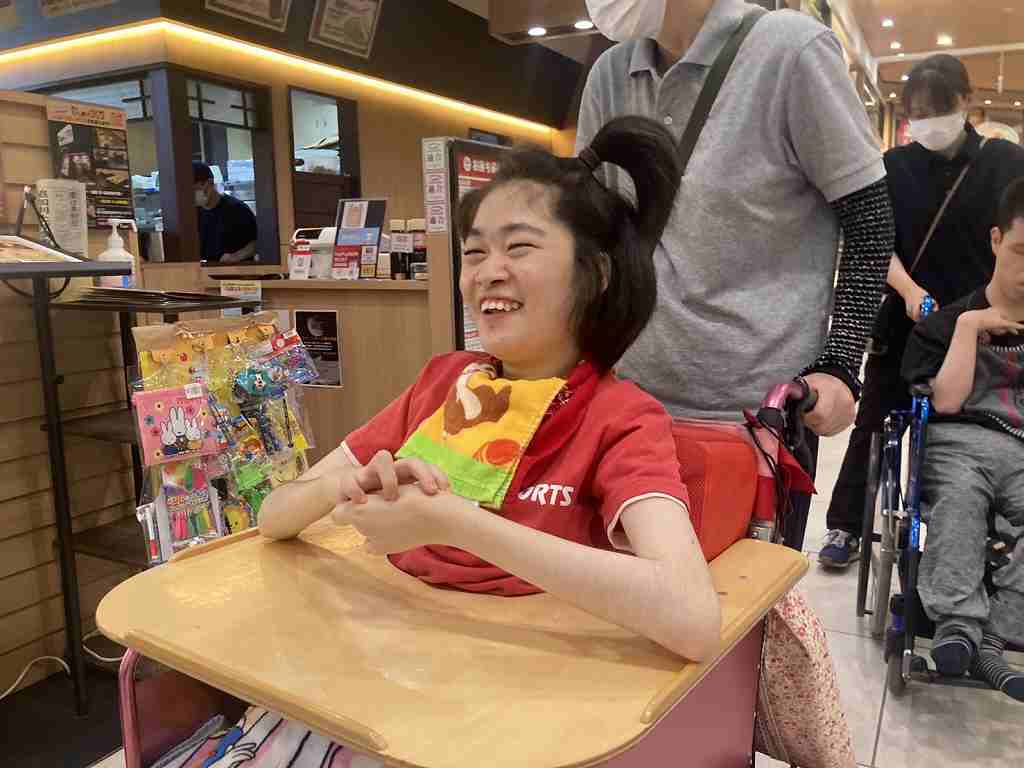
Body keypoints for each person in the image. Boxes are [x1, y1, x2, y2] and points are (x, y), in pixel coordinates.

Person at [193, 116, 719, 768]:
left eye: (519, 248)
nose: (488, 273)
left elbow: (693, 619)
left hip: (515, 699)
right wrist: (344, 486)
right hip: (382, 667)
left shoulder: (622, 418)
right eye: (474, 253)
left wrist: (456, 524)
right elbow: (274, 517)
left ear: (597, 273)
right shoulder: (444, 381)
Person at [577, 0, 895, 549]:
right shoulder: (611, 73)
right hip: (628, 404)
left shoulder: (791, 52)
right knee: (621, 589)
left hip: (758, 417)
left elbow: (869, 221)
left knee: (744, 597)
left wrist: (841, 364)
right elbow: (594, 230)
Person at [822, 55, 1024, 568]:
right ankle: (846, 524)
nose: (928, 122)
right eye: (917, 113)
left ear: (966, 102)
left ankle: (985, 535)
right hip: (908, 322)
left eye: (938, 109)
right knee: (874, 423)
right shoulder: (895, 167)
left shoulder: (1004, 163)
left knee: (978, 430)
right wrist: (910, 291)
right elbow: (877, 241)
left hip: (986, 325)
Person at [901, 179, 1024, 700]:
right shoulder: (950, 321)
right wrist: (970, 328)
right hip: (956, 443)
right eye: (1021, 252)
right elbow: (947, 402)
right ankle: (957, 626)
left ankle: (996, 639)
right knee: (959, 502)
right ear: (996, 240)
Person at [193, 162, 258, 264]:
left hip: (236, 270)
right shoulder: (194, 213)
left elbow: (258, 242)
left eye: (195, 189)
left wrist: (235, 257)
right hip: (207, 271)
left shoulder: (237, 209)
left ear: (209, 183)